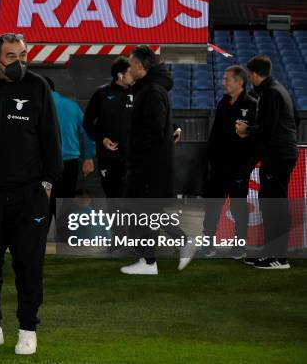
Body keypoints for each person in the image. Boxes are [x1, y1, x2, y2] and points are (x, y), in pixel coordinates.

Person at [0, 33, 63, 355]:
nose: (19, 61)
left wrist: (46, 185)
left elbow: (52, 141)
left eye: (23, 55)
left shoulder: (38, 87)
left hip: (29, 194)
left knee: (28, 265)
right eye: (11, 56)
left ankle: (27, 329)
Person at [120, 45, 195, 275]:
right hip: (150, 164)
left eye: (131, 64)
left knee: (144, 212)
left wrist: (134, 153)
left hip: (148, 166)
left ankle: (152, 259)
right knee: (150, 212)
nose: (128, 68)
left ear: (141, 66)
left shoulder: (152, 91)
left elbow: (153, 129)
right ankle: (159, 255)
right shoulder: (151, 89)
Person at [236, 55, 300, 270]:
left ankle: (278, 257)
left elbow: (267, 129)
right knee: (272, 202)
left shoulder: (271, 93)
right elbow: (296, 119)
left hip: (278, 155)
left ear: (253, 74)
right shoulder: (279, 88)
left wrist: (247, 130)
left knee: (275, 205)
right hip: (282, 153)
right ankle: (271, 252)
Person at [201, 65, 257, 259]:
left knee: (238, 207)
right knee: (213, 205)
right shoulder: (223, 102)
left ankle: (239, 246)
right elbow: (216, 133)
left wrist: (246, 166)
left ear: (239, 82)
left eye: (227, 79)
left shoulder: (252, 104)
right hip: (218, 166)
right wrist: (211, 158)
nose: (223, 82)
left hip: (239, 168)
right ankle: (207, 244)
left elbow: (255, 138)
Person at [44, 76, 95, 225]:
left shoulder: (37, 106)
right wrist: (88, 157)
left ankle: (39, 241)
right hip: (69, 164)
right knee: (64, 205)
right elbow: (87, 131)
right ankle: (63, 239)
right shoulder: (71, 106)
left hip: (44, 165)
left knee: (42, 202)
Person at [83, 56, 135, 198]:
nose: (134, 75)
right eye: (131, 72)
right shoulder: (102, 94)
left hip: (131, 159)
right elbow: (87, 123)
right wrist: (102, 139)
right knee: (113, 197)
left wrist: (174, 127)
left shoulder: (137, 92)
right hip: (108, 158)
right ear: (120, 75)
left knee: (130, 199)